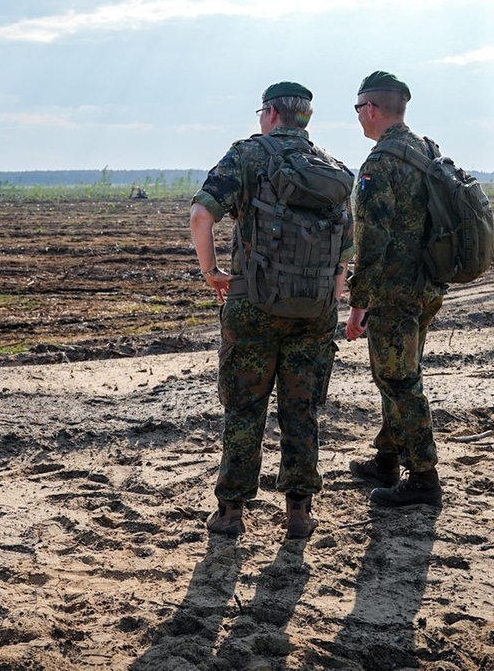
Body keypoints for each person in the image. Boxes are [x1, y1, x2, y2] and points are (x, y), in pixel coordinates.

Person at [190, 81, 354, 538]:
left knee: (244, 409)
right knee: (302, 409)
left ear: (271, 114)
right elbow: (345, 253)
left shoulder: (247, 155)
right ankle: (299, 512)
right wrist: (330, 297)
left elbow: (202, 214)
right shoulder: (333, 168)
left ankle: (230, 513)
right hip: (315, 309)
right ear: (306, 119)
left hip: (253, 304)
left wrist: (212, 272)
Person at [345, 70, 445, 507]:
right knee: (397, 372)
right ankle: (386, 458)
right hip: (427, 287)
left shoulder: (381, 163)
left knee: (400, 379)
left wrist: (357, 303)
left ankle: (424, 477)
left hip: (395, 294)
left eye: (357, 110)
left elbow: (372, 243)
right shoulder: (426, 150)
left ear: (370, 109)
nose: (358, 119)